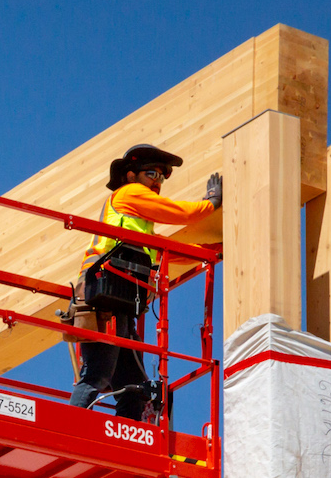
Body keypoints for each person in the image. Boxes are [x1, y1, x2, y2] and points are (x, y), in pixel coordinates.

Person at [69, 143, 220, 421]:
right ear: (130, 176)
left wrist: (212, 251)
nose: (157, 183)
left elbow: (165, 252)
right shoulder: (128, 194)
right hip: (103, 293)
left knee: (134, 386)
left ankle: (128, 440)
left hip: (120, 300)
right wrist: (210, 203)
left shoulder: (138, 224)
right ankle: (68, 430)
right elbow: (181, 213)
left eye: (161, 178)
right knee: (99, 372)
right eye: (152, 174)